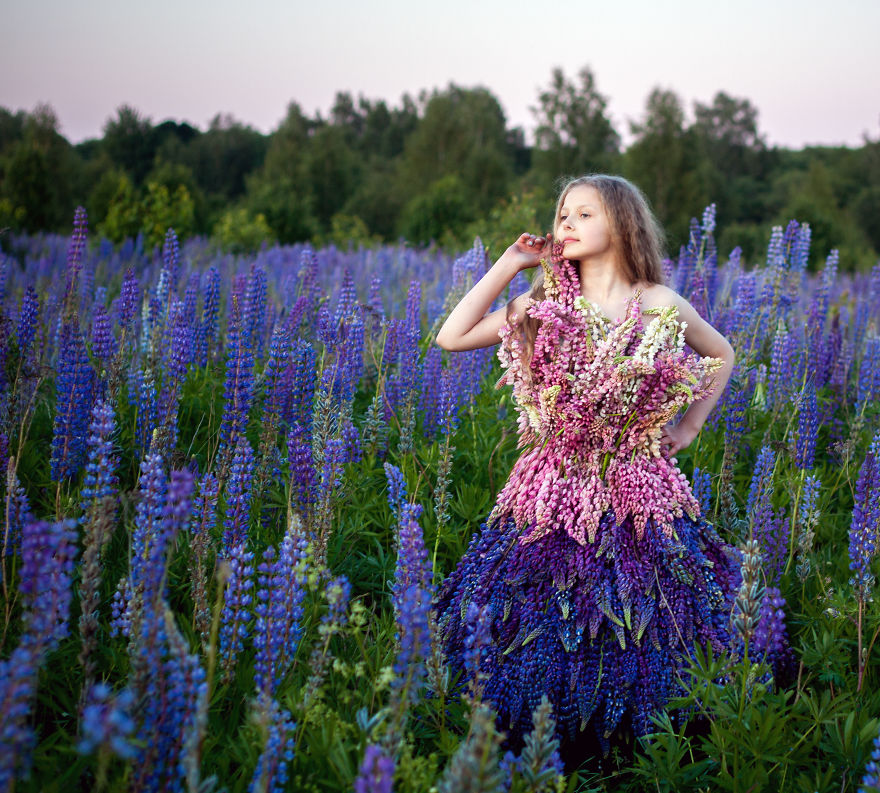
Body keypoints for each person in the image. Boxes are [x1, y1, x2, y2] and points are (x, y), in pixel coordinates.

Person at [433, 174, 740, 763]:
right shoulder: (545, 306)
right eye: (561, 215)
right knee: (534, 608)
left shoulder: (659, 304)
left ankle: (640, 742)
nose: (565, 225)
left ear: (622, 225)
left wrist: (688, 426)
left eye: (583, 215)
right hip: (549, 488)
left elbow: (721, 352)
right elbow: (452, 336)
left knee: (648, 616)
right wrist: (511, 263)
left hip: (637, 485)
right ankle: (540, 739)